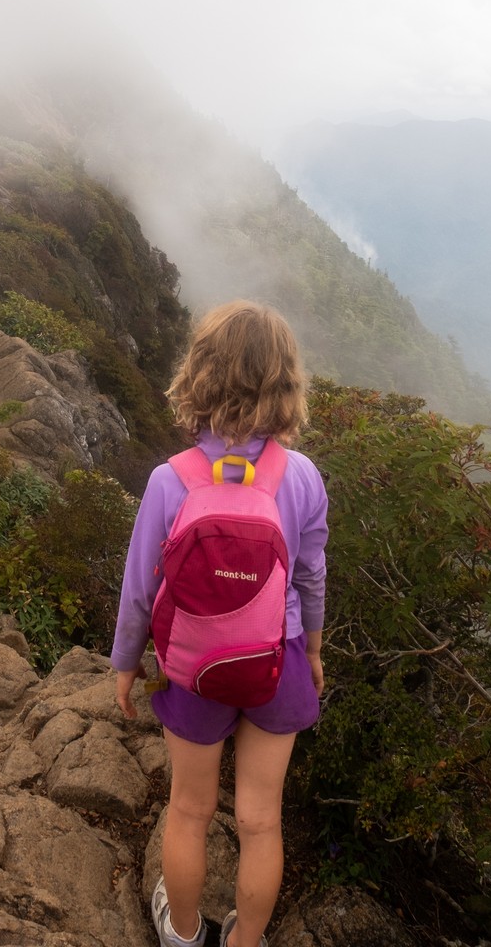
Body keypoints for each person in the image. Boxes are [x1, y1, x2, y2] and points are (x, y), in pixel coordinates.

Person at [113, 301, 329, 947]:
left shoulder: (169, 481)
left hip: (192, 668)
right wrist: (312, 651)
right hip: (278, 658)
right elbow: (313, 578)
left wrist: (126, 663)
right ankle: (244, 942)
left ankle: (182, 933)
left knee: (189, 809)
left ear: (200, 374)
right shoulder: (302, 478)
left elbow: (141, 589)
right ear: (286, 383)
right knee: (261, 821)